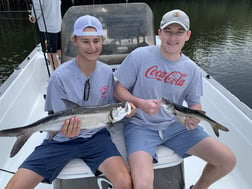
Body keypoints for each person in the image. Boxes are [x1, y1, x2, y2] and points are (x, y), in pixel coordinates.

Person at [5, 15, 133, 189]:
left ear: (102, 41)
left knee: (125, 183)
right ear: (74, 40)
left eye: (96, 41)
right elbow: (56, 116)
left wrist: (128, 110)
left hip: (96, 138)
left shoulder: (106, 72)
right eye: (85, 41)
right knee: (14, 187)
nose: (92, 47)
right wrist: (63, 131)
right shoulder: (58, 77)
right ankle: (25, 133)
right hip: (61, 140)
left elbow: (109, 110)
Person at [113, 9, 236, 189]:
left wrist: (193, 118)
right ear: (159, 33)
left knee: (227, 160)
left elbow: (194, 103)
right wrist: (140, 103)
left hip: (175, 126)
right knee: (143, 184)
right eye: (168, 31)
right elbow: (118, 90)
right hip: (141, 126)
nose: (173, 38)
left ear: (188, 35)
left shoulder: (192, 69)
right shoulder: (140, 56)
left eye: (179, 32)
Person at [29, 0, 62, 69]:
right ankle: (66, 73)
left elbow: (36, 11)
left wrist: (32, 18)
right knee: (60, 51)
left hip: (47, 29)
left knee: (51, 54)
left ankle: (58, 78)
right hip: (59, 26)